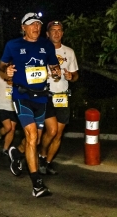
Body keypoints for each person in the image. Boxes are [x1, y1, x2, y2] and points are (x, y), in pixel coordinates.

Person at [0, 12, 61, 198]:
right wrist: (6, 71)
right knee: (32, 135)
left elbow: (53, 66)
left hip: (41, 98)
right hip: (22, 96)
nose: (36, 27)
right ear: (23, 27)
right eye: (32, 24)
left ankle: (17, 154)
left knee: (35, 139)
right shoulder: (13, 45)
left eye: (38, 25)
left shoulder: (46, 45)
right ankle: (37, 184)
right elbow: (1, 67)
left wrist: (56, 72)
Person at [39, 21, 79, 175]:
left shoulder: (69, 52)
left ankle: (48, 162)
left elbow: (75, 76)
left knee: (58, 133)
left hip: (62, 96)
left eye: (59, 30)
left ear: (62, 33)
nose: (56, 33)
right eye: (53, 30)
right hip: (46, 95)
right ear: (47, 34)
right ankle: (42, 154)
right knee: (51, 131)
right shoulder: (41, 52)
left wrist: (71, 76)